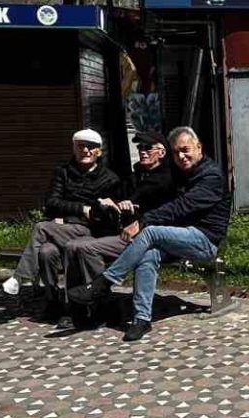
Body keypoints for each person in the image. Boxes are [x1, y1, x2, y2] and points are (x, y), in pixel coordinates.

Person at [68, 126, 231, 342]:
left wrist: (142, 222)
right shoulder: (180, 173)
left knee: (150, 232)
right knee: (148, 253)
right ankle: (142, 319)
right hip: (179, 237)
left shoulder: (211, 176)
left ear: (199, 147)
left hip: (204, 241)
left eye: (185, 150)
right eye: (176, 152)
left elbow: (182, 206)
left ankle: (104, 283)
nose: (181, 157)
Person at [1, 129, 124, 318]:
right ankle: (53, 302)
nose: (86, 150)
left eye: (91, 147)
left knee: (41, 227)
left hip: (91, 233)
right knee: (46, 251)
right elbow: (51, 202)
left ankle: (19, 280)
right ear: (74, 148)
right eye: (81, 146)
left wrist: (70, 215)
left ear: (99, 151)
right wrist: (82, 209)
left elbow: (105, 217)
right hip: (60, 228)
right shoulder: (63, 172)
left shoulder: (109, 179)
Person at [60, 130, 179, 322]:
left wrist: (134, 211)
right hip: (121, 234)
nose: (142, 151)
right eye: (140, 147)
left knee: (84, 248)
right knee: (71, 246)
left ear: (162, 152)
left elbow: (165, 214)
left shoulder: (168, 180)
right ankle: (76, 308)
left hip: (146, 240)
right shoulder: (136, 176)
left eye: (148, 148)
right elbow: (111, 196)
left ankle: (103, 305)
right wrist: (107, 203)